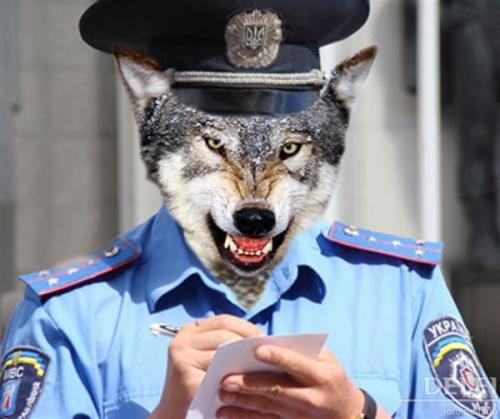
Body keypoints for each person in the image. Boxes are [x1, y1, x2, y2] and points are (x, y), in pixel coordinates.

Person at [1, 1, 498, 418]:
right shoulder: (69, 315)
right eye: (215, 146)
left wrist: (359, 413)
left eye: (288, 147)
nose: (254, 191)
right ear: (146, 117)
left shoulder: (402, 292)